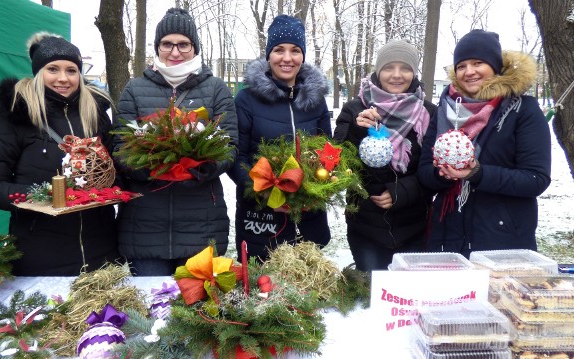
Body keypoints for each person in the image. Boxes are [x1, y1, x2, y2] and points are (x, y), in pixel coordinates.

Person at [0, 32, 120, 276]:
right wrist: (45, 195)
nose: (63, 78)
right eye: (53, 69)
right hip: (41, 256)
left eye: (72, 70)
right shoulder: (14, 119)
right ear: (39, 72)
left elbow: (114, 167)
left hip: (102, 252)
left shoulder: (95, 115)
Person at [113, 8, 238, 276]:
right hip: (145, 225)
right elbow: (120, 146)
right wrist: (147, 167)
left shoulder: (215, 89)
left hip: (201, 222)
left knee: (196, 312)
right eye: (167, 44)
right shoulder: (134, 90)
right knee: (151, 309)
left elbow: (229, 144)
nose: (175, 51)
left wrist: (204, 168)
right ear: (157, 47)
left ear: (194, 47)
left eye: (183, 44)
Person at [418, 29, 551, 257]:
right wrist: (442, 174)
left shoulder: (522, 110)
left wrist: (477, 173)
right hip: (447, 238)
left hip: (502, 241)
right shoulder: (445, 110)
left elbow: (535, 179)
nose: (469, 72)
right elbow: (424, 172)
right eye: (461, 66)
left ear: (495, 66)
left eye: (478, 63)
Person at [228, 15, 331, 262]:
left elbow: (328, 152)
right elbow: (236, 157)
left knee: (306, 291)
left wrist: (318, 186)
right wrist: (263, 192)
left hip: (308, 217)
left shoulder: (316, 100)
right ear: (268, 55)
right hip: (261, 215)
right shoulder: (247, 100)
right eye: (279, 50)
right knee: (263, 290)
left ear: (303, 56)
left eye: (295, 50)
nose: (287, 58)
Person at [333, 39, 436, 271]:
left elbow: (435, 172)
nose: (397, 75)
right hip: (366, 227)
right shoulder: (354, 109)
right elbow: (337, 164)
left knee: (408, 298)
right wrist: (358, 131)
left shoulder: (429, 113)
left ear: (414, 72)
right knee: (371, 296)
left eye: (405, 68)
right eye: (389, 67)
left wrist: (402, 192)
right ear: (379, 72)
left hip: (414, 227)